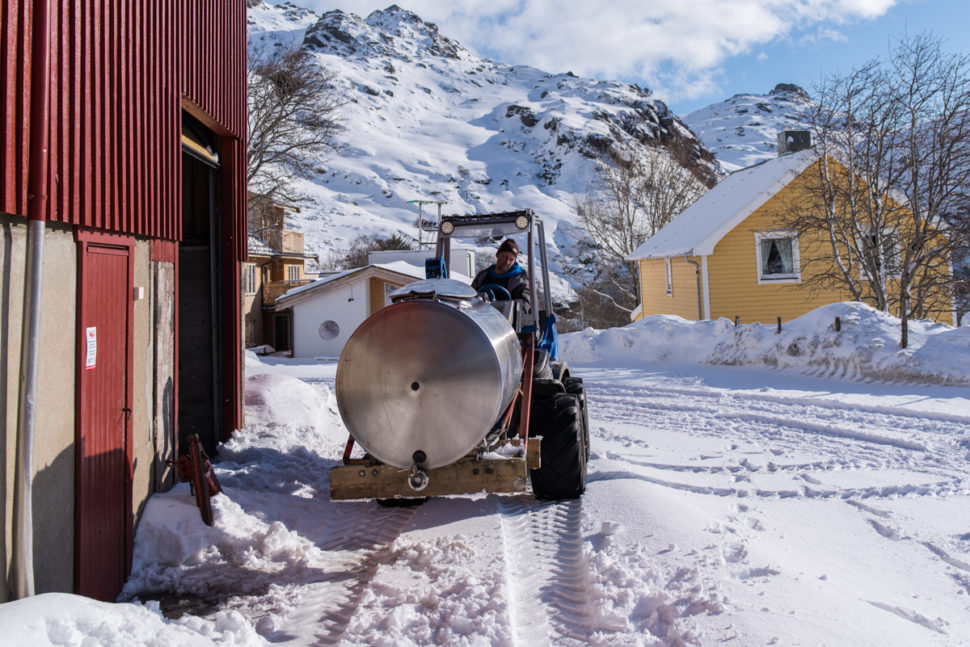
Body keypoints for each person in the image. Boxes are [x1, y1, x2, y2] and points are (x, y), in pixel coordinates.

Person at [472, 238, 531, 307]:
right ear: (497, 255)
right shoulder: (482, 276)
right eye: (504, 257)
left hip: (506, 317)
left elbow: (524, 304)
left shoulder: (519, 280)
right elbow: (470, 294)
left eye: (511, 259)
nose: (507, 261)